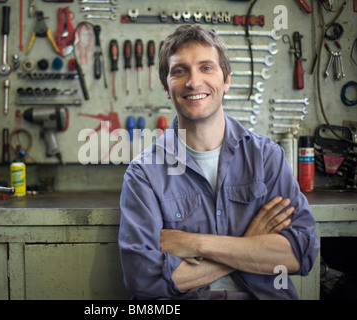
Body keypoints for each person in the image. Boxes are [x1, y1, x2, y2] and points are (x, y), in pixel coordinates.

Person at [118, 24, 319, 300]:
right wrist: (251, 245)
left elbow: (301, 253)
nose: (193, 82)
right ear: (166, 87)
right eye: (179, 71)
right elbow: (144, 282)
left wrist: (194, 244)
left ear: (226, 80)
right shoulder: (144, 174)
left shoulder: (266, 156)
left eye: (206, 68)